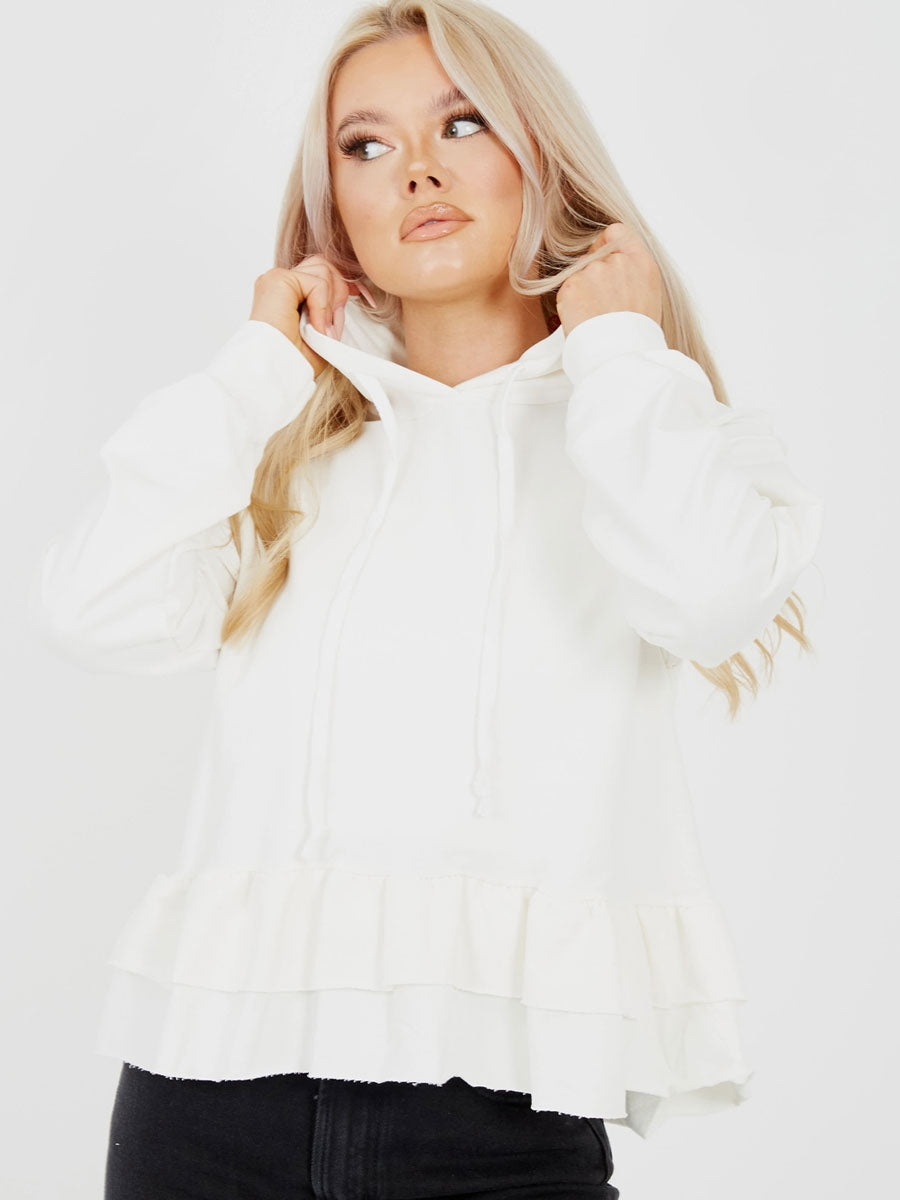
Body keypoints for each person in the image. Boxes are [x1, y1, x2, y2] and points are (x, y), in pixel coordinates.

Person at [35, 1, 826, 1196]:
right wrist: (257, 371)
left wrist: (621, 351)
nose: (416, 169)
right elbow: (89, 609)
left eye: (462, 123)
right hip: (207, 1107)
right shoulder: (284, 453)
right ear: (337, 214)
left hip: (500, 1123)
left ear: (541, 156)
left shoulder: (653, 433)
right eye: (366, 144)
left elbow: (710, 598)